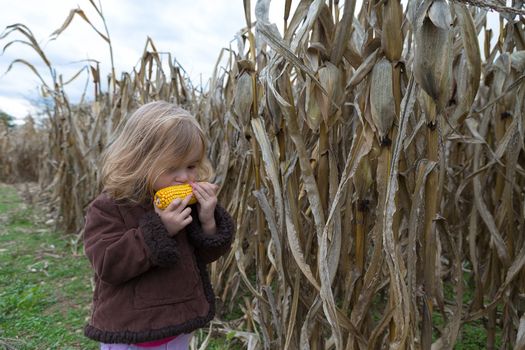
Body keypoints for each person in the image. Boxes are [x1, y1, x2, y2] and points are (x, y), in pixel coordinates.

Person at [82, 101, 235, 349]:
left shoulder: (186, 204)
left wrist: (208, 220)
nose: (184, 177)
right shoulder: (109, 208)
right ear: (138, 160)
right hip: (129, 330)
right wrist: (160, 228)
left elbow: (203, 256)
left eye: (191, 166)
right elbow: (108, 264)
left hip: (178, 325)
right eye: (172, 168)